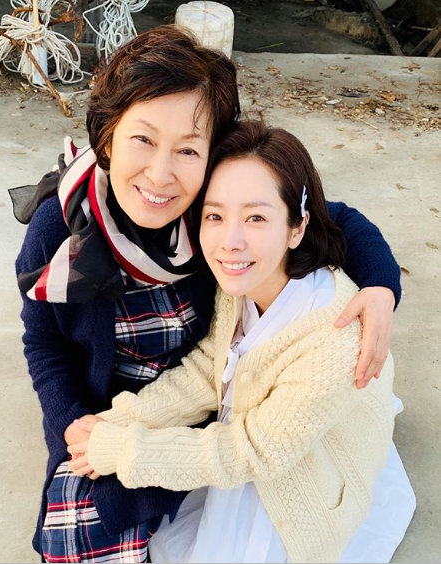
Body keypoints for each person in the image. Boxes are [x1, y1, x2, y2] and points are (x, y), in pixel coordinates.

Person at [11, 25, 402, 563]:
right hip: (116, 406)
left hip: (206, 410)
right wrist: (71, 425)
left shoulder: (211, 205)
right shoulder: (61, 228)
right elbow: (44, 345)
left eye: (188, 149)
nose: (160, 175)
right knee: (77, 540)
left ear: (210, 153)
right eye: (143, 139)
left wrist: (380, 287)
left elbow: (330, 218)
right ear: (107, 136)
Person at [68, 121, 416, 563]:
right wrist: (119, 419)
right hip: (260, 440)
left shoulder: (335, 339)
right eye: (215, 216)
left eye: (256, 218)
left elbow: (251, 451)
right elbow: (206, 369)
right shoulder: (245, 283)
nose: (230, 242)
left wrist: (124, 450)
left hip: (289, 478)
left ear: (297, 228)